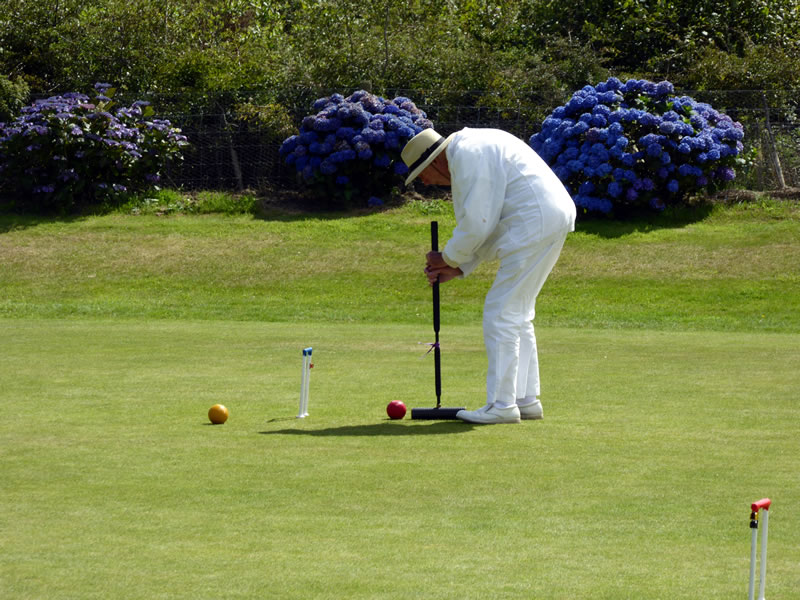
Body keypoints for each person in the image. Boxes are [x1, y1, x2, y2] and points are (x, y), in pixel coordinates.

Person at [401, 127, 576, 424]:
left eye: (422, 174)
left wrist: (447, 258)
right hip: (546, 218)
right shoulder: (471, 148)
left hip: (535, 221)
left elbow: (478, 224)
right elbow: (489, 222)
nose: (425, 182)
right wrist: (458, 267)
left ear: (434, 161)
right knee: (517, 314)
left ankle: (502, 405)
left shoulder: (467, 153)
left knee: (501, 313)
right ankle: (525, 399)